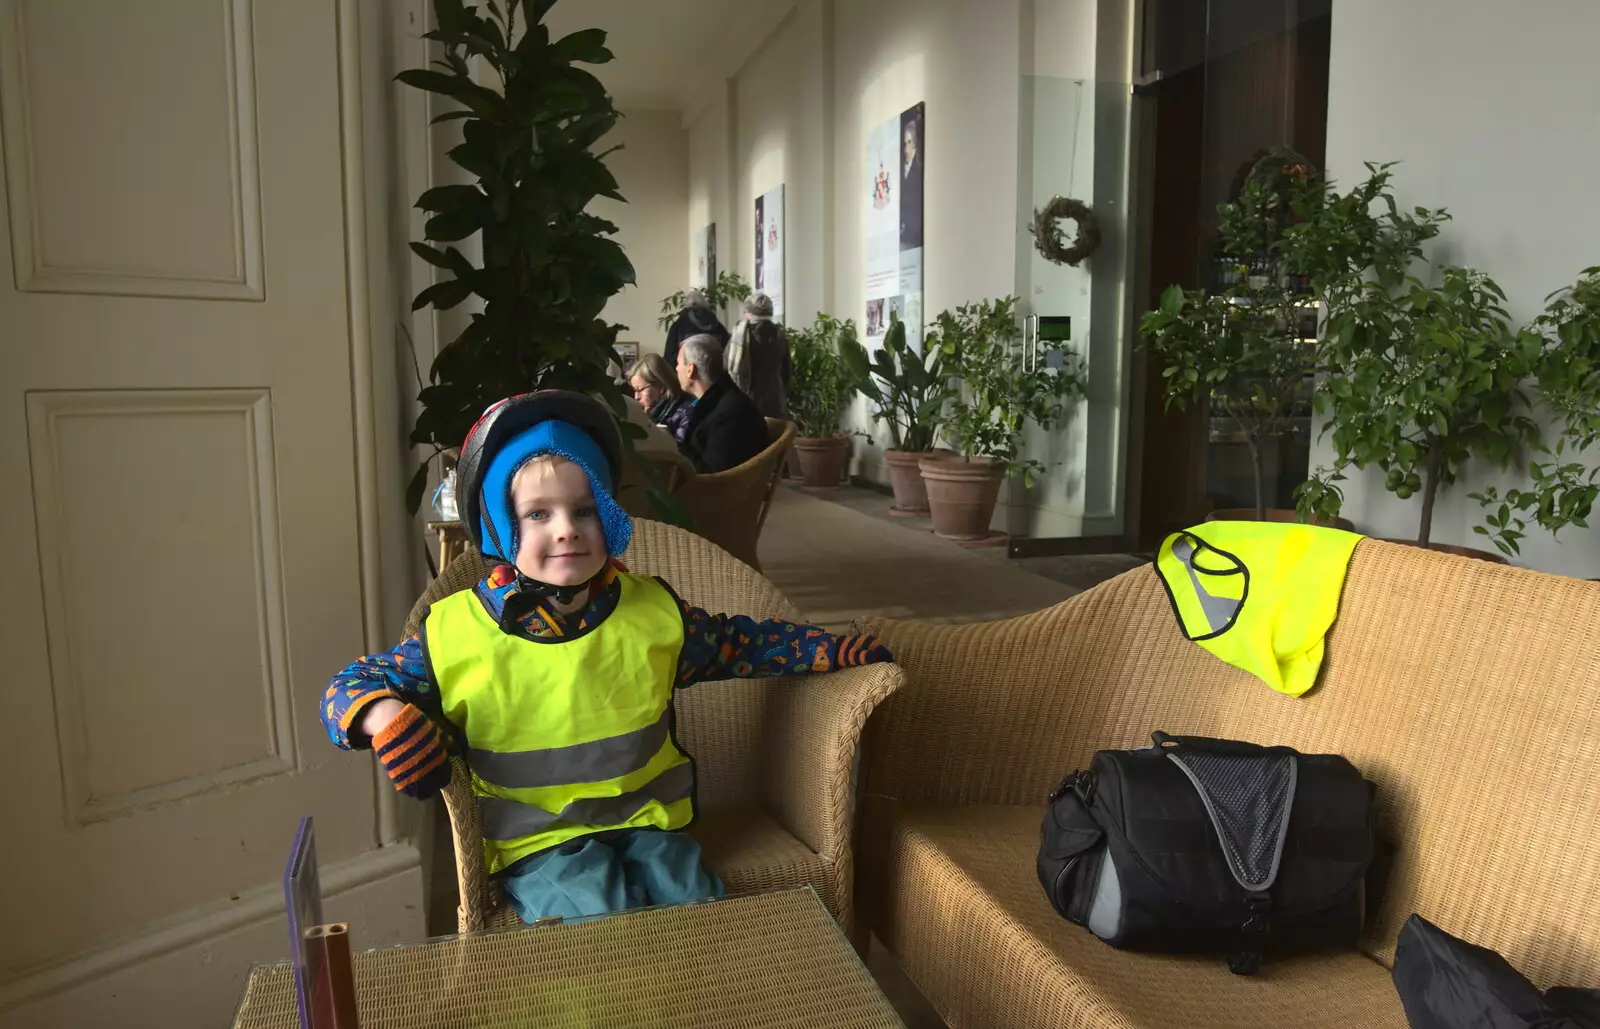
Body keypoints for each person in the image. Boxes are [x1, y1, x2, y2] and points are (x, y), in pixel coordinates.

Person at [318, 391, 892, 924]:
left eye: (585, 509)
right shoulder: (453, 632)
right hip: (537, 841)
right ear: (500, 524)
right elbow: (349, 685)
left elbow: (740, 644)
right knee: (597, 912)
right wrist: (382, 715)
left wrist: (826, 648)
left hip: (646, 822)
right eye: (538, 514)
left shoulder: (653, 613)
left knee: (699, 907)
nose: (567, 530)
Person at [676, 335, 770, 473]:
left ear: (690, 369)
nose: (677, 369)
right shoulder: (720, 400)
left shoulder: (731, 414)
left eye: (678, 363)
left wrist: (674, 447)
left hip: (725, 492)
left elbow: (713, 477)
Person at [724, 293, 792, 421]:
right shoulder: (780, 336)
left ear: (749, 314)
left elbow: (726, 366)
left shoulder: (739, 337)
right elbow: (786, 372)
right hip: (775, 402)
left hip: (745, 403)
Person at [628, 353, 693, 443]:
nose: (636, 397)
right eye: (635, 391)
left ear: (661, 386)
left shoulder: (686, 413)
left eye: (640, 390)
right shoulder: (654, 412)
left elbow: (678, 452)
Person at [662, 288, 729, 368]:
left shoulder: (679, 326)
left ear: (686, 305)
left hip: (688, 373)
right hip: (716, 372)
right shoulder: (718, 326)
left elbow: (669, 356)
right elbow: (728, 351)